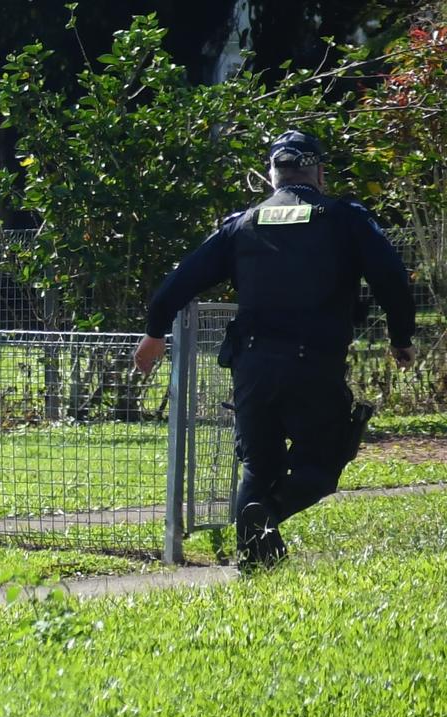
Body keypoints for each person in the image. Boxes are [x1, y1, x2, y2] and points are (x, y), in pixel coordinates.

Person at [133, 130, 415, 571]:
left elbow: (182, 278)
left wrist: (155, 331)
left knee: (257, 469)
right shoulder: (346, 219)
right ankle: (266, 520)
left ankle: (256, 563)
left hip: (252, 366)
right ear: (319, 173)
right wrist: (401, 337)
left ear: (272, 176)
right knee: (321, 464)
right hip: (314, 364)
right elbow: (392, 279)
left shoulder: (242, 223)